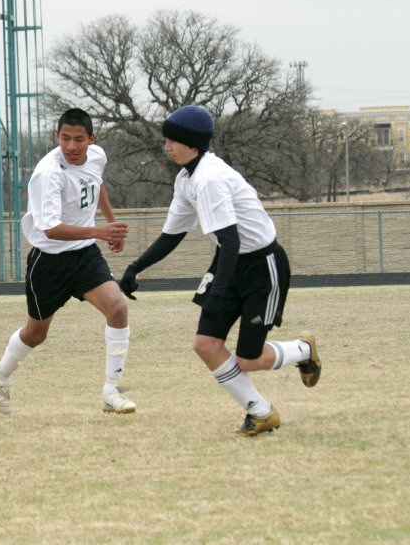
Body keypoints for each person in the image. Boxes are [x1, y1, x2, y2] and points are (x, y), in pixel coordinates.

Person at [118, 104, 321, 437]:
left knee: (248, 359)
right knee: (205, 344)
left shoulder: (210, 178)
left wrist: (220, 292)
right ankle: (261, 412)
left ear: (194, 144)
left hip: (261, 267)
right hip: (230, 263)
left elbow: (231, 242)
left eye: (172, 140)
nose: (166, 146)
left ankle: (304, 350)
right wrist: (136, 267)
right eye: (165, 139)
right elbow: (172, 234)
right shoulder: (186, 179)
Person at [0, 108, 135, 415]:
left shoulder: (96, 157)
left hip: (84, 256)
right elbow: (50, 229)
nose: (71, 146)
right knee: (36, 333)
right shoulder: (48, 173)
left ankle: (110, 391)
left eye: (78, 139)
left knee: (118, 309)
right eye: (65, 138)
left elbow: (97, 184)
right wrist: (100, 231)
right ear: (57, 137)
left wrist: (112, 225)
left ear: (91, 139)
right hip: (49, 262)